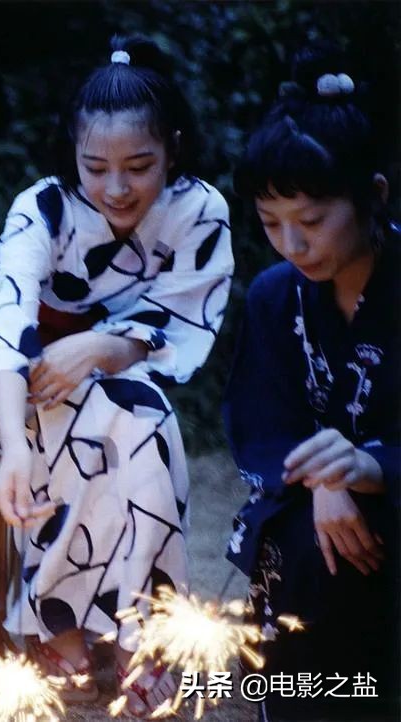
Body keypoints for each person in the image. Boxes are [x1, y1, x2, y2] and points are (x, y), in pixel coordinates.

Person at [0, 35, 234, 716]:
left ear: (174, 149)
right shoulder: (42, 206)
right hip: (11, 385)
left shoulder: (199, 211)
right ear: (70, 154)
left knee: (139, 418)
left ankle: (143, 635)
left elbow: (180, 318)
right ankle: (63, 623)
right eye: (94, 166)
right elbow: (6, 310)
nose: (115, 187)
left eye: (139, 165)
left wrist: (100, 348)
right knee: (99, 418)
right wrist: (13, 445)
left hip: (119, 379)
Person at [226, 43, 399, 722]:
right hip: (316, 504)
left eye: (312, 221)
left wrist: (369, 467)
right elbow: (264, 422)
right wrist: (328, 479)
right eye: (272, 225)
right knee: (306, 546)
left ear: (373, 196)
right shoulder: (274, 296)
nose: (293, 247)